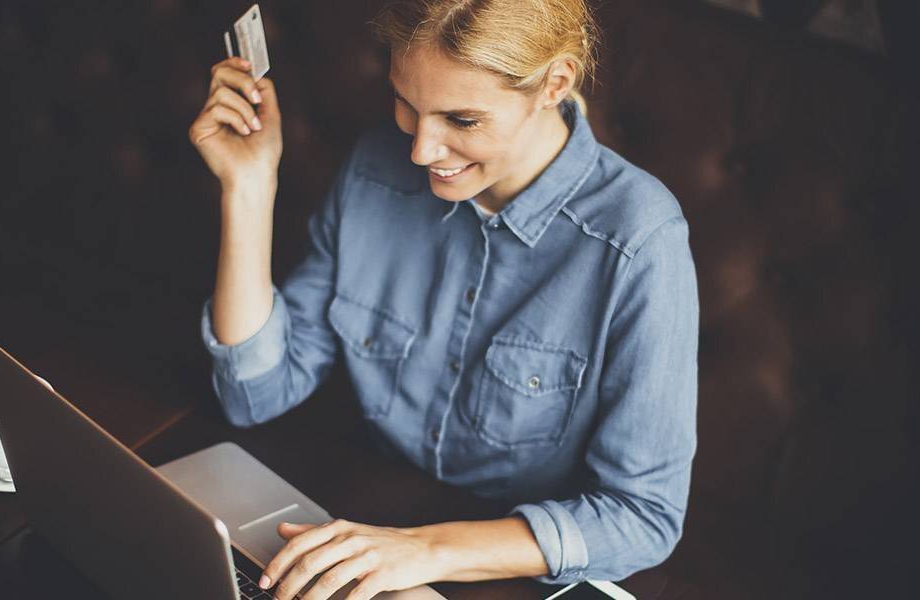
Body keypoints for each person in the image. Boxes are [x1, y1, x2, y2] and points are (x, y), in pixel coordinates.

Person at [189, 1, 699, 598]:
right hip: (369, 511)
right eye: (406, 103)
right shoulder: (374, 166)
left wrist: (424, 551)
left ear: (554, 83)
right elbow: (256, 394)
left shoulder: (638, 241)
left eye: (461, 119)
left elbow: (643, 518)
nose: (421, 152)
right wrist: (249, 188)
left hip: (508, 566)